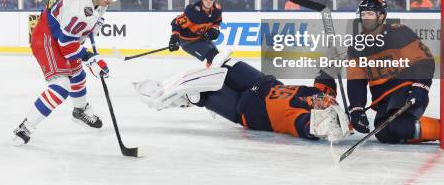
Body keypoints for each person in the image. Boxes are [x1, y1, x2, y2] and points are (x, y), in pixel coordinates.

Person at [346, 0, 444, 143]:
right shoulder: (356, 46)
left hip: (406, 91)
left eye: (370, 14)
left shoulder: (398, 33)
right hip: (384, 100)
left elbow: (424, 60)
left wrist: (420, 87)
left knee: (397, 127)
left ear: (381, 16)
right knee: (384, 133)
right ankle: (435, 131)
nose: (365, 18)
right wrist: (356, 108)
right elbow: (356, 80)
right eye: (363, 14)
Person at [13, 0, 121, 145]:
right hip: (48, 37)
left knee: (78, 76)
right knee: (61, 86)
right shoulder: (78, 8)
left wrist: (93, 45)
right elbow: (66, 45)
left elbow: (89, 23)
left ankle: (79, 111)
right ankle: (24, 128)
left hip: (63, 36)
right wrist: (89, 58)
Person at [134, 61, 349, 142]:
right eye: (324, 100)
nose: (322, 101)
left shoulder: (298, 116)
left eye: (324, 105)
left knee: (201, 94)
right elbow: (326, 75)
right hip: (261, 83)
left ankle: (169, 99)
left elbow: (304, 127)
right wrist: (334, 59)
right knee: (227, 66)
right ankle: (173, 88)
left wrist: (326, 127)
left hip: (245, 107)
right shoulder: (321, 94)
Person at [168, 0, 227, 67]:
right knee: (213, 57)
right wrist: (174, 39)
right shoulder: (193, 11)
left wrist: (214, 29)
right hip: (188, 42)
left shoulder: (217, 10)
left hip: (201, 37)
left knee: (217, 57)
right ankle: (214, 75)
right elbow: (176, 23)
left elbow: (217, 21)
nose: (208, 1)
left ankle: (214, 73)